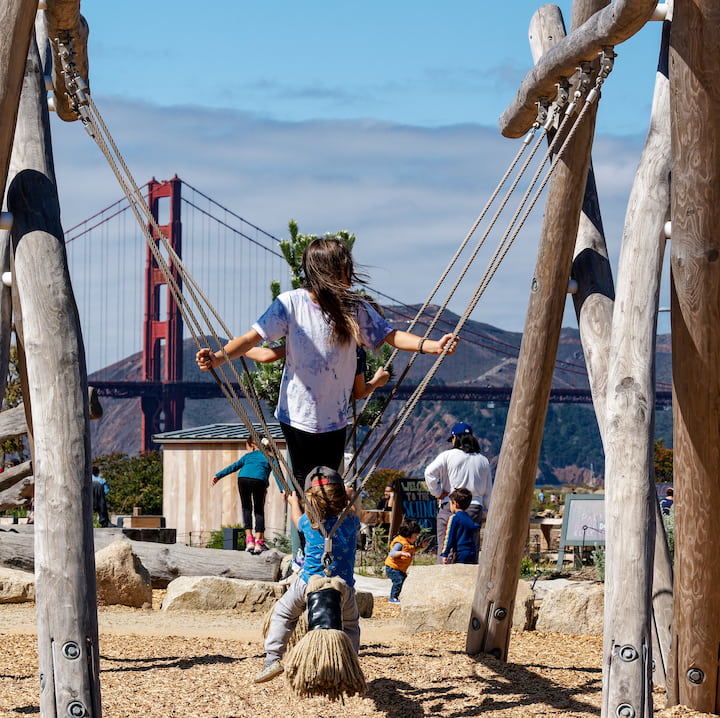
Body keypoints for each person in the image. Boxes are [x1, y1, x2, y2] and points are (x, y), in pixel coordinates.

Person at [197, 235, 457, 496]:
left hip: (334, 418)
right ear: (328, 270)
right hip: (298, 416)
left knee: (329, 489)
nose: (351, 273)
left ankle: (323, 534)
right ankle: (310, 532)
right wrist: (218, 358)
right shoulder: (290, 304)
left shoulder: (355, 308)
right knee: (303, 487)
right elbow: (250, 339)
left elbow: (390, 335)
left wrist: (431, 345)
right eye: (345, 267)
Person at [254, 466, 360, 684]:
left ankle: (273, 658)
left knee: (283, 613)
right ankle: (350, 662)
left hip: (308, 583)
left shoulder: (310, 524)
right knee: (350, 624)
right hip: (344, 587)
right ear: (340, 498)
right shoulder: (350, 522)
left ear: (311, 501)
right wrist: (351, 496)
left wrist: (294, 503)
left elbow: (296, 519)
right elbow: (355, 510)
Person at [424, 422, 492, 562]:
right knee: (470, 547)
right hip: (474, 507)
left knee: (445, 545)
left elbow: (429, 473)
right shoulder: (483, 460)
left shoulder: (447, 456)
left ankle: (443, 577)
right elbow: (488, 491)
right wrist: (486, 512)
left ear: (455, 438)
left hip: (451, 505)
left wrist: (437, 492)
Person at [211, 436, 273, 554]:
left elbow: (234, 467)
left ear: (252, 445)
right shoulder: (270, 457)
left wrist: (218, 475)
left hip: (243, 478)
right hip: (259, 481)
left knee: (246, 508)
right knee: (259, 510)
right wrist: (283, 490)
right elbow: (277, 473)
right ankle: (259, 542)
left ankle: (249, 541)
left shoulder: (248, 456)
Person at [384, 518, 421, 603]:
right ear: (408, 535)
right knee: (398, 580)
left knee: (403, 580)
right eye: (415, 536)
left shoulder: (408, 543)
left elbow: (411, 550)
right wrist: (401, 553)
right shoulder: (399, 543)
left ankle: (398, 595)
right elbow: (392, 553)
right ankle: (393, 598)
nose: (416, 538)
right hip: (392, 567)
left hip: (400, 569)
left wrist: (420, 547)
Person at [440, 488, 481, 565]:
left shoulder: (454, 518)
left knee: (458, 574)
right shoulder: (469, 518)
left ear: (455, 504)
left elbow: (449, 537)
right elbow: (475, 526)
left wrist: (445, 554)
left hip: (460, 552)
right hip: (472, 551)